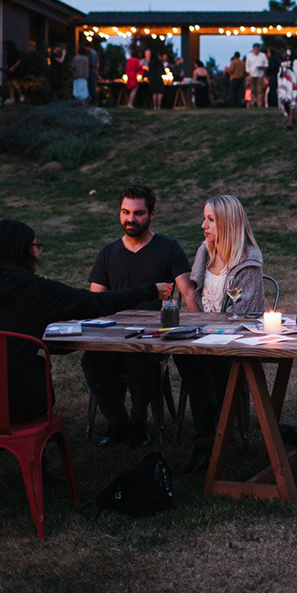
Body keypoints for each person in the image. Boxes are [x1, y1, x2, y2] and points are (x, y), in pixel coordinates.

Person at [0, 219, 170, 426]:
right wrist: (149, 291)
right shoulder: (35, 291)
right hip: (21, 402)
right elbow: (95, 303)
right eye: (36, 247)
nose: (38, 253)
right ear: (24, 251)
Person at [81, 186, 195, 448]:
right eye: (125, 212)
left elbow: (188, 291)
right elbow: (94, 301)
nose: (130, 219)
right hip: (114, 334)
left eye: (138, 213)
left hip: (154, 335)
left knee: (138, 355)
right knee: (91, 361)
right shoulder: (107, 253)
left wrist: (202, 324)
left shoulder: (168, 248)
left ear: (152, 213)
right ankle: (117, 422)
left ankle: (139, 422)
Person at [173, 195, 264, 473]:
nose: (203, 225)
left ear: (228, 223)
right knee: (181, 351)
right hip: (204, 339)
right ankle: (213, 419)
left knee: (198, 361)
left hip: (235, 344)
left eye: (210, 219)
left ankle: (206, 438)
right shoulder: (204, 252)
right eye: (204, 218)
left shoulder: (247, 262)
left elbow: (244, 317)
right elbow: (195, 301)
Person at [277, 48, 297, 129]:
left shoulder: (295, 62)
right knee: (285, 102)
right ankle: (291, 117)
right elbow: (280, 74)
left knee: (292, 102)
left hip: (293, 85)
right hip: (284, 86)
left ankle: (290, 121)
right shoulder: (282, 63)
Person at [245, 43, 267, 109]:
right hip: (252, 75)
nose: (256, 49)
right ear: (253, 49)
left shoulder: (262, 55)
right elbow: (247, 66)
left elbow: (266, 64)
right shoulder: (249, 56)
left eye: (257, 48)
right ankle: (252, 104)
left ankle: (259, 104)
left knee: (259, 90)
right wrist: (249, 73)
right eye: (255, 48)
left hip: (260, 75)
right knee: (252, 90)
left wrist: (262, 68)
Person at [3, 41, 23, 106]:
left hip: (15, 69)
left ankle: (21, 95)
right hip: (9, 69)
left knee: (14, 84)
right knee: (9, 84)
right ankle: (12, 98)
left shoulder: (16, 53)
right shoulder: (8, 53)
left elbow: (18, 61)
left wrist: (13, 67)